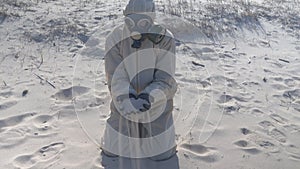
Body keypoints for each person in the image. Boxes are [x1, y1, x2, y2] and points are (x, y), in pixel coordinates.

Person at [101, 0, 177, 161]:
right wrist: (125, 98)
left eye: (142, 22)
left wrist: (149, 97)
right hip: (124, 106)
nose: (135, 27)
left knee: (161, 155)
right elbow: (114, 77)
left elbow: (166, 80)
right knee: (111, 150)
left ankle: (148, 132)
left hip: (157, 106)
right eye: (130, 21)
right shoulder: (114, 38)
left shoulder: (165, 39)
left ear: (151, 20)